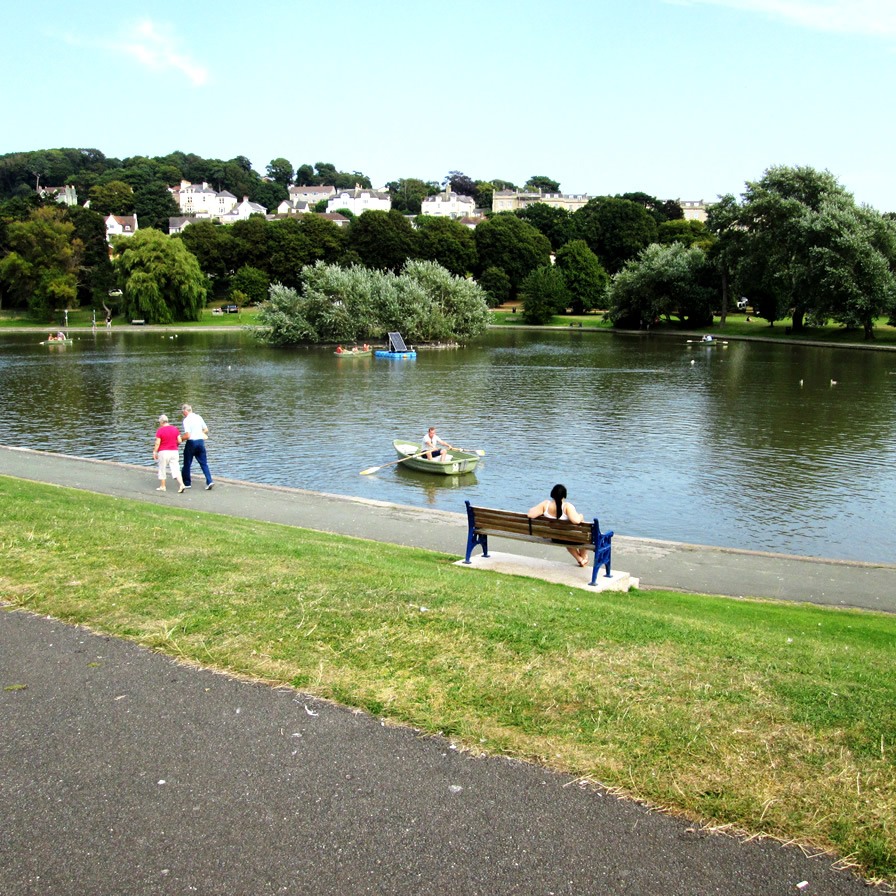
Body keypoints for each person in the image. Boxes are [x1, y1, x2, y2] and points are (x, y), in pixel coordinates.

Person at [528, 483, 589, 567]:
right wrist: (581, 516)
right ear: (564, 495)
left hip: (555, 537)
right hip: (570, 537)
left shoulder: (545, 504)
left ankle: (580, 559)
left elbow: (530, 515)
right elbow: (576, 521)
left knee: (565, 537)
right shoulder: (567, 506)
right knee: (585, 537)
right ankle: (584, 558)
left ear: (552, 493)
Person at [180, 403, 214, 490]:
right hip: (200, 442)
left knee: (187, 463)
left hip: (191, 442)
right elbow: (206, 429)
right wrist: (200, 433)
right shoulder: (198, 417)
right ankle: (209, 481)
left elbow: (187, 435)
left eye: (182, 412)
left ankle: (187, 483)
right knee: (203, 463)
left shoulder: (186, 420)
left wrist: (180, 439)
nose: (183, 414)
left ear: (185, 411)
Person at [153, 414, 185, 493]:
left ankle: (163, 486)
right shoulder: (175, 429)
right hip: (174, 451)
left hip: (164, 452)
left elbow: (157, 443)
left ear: (161, 422)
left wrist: (155, 452)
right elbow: (180, 440)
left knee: (162, 468)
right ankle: (181, 484)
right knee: (176, 469)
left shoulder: (160, 430)